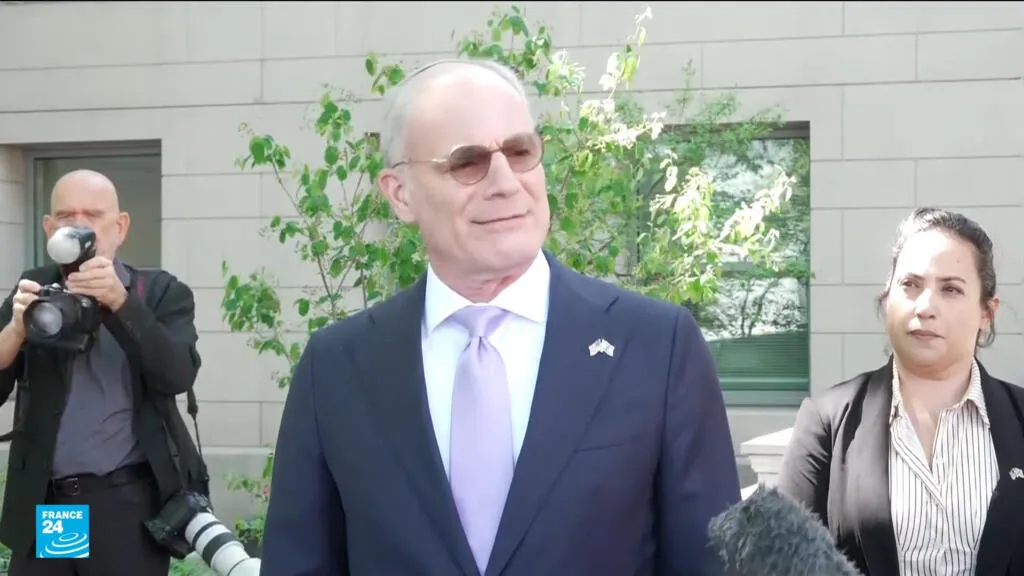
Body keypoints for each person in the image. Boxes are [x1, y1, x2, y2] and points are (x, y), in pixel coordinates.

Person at [260, 58, 741, 576]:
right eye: (466, 162)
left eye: (520, 152)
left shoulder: (656, 347)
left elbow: (712, 564)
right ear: (400, 194)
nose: (505, 182)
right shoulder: (337, 368)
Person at [777, 207, 1024, 576]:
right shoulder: (827, 421)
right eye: (910, 284)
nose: (925, 306)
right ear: (887, 297)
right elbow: (781, 559)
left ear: (986, 312)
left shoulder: (1019, 418)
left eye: (951, 289)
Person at [0, 169, 206, 576]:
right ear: (48, 228)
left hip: (124, 501)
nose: (78, 227)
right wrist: (16, 330)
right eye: (65, 216)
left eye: (93, 215)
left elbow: (177, 375)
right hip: (54, 500)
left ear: (120, 227)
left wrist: (120, 302)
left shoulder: (159, 292)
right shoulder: (34, 289)